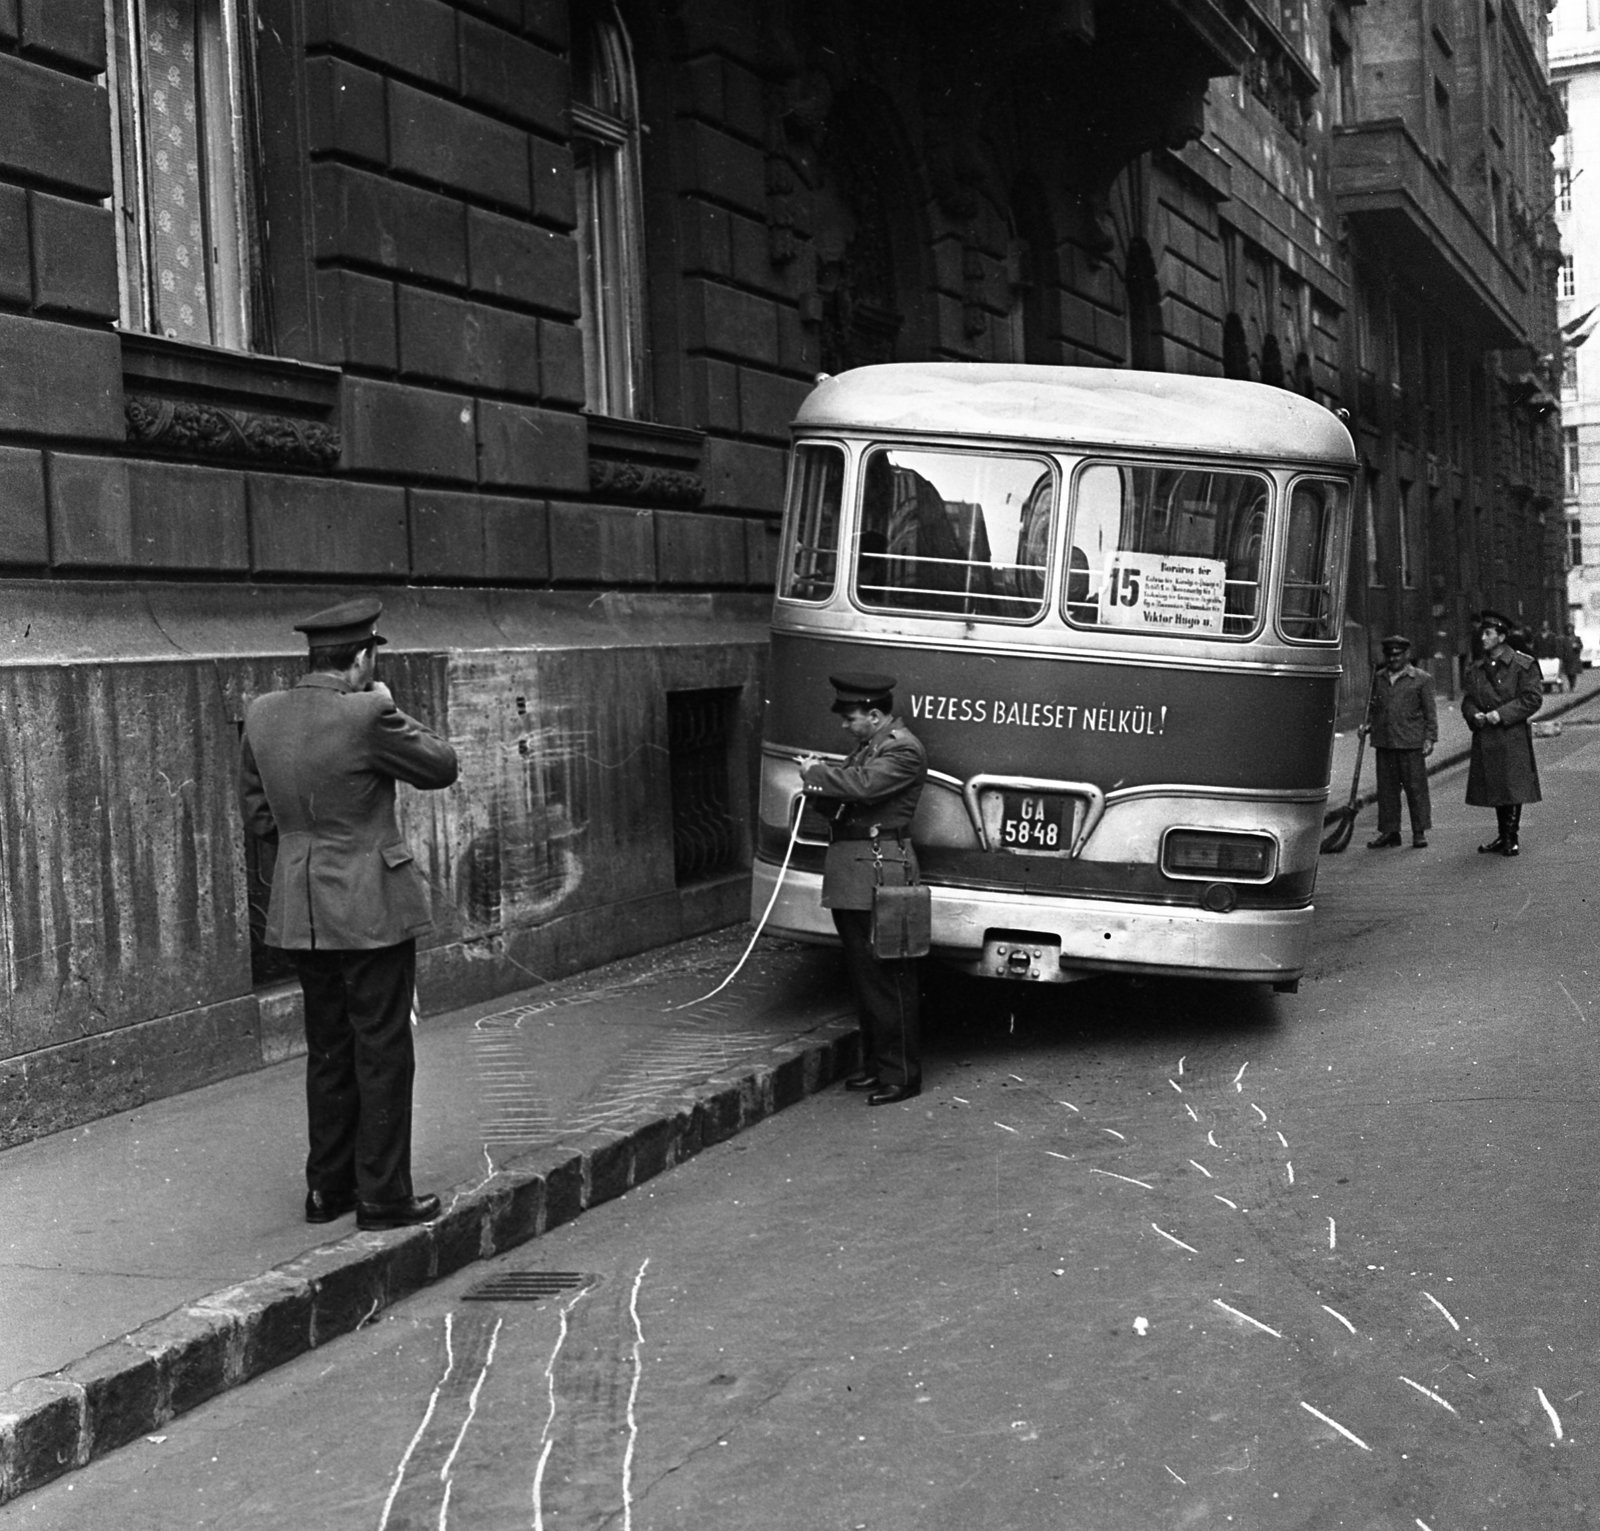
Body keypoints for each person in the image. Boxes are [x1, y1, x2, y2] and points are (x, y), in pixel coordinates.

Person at [240, 598, 459, 1228]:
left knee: (328, 1047)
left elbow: (259, 817)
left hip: (300, 907)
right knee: (383, 1048)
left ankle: (326, 1190)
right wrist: (386, 702)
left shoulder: (262, 713)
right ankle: (383, 1196)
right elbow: (441, 766)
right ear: (363, 657)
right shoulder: (369, 711)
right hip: (370, 905)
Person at [797, 672, 928, 1106]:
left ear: (875, 715)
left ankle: (901, 1074)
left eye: (852, 718)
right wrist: (822, 783)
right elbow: (842, 801)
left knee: (888, 979)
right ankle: (877, 1066)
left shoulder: (903, 749)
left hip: (881, 872)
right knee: (866, 978)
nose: (845, 726)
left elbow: (863, 788)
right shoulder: (870, 747)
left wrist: (816, 774)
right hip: (857, 873)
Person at [1462, 610, 1542, 857]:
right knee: (1497, 786)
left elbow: (1532, 699)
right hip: (1486, 736)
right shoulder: (1477, 668)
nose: (1483, 638)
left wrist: (1502, 714)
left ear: (1501, 637)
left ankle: (1511, 837)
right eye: (1482, 633)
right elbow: (1468, 700)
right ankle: (1502, 835)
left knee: (1511, 786)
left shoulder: (1522, 664)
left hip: (1511, 735)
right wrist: (1473, 714)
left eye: (1488, 633)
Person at [1362, 634, 1437, 850]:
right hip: (1385, 741)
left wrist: (1430, 738)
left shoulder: (1421, 679)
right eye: (1390, 655)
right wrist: (1367, 724)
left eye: (1398, 654)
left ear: (1407, 654)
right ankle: (1390, 832)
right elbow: (1374, 707)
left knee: (1416, 789)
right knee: (1386, 791)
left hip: (1410, 742)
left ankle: (1419, 831)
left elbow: (1430, 712)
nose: (1393, 659)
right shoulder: (1379, 677)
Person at [1563, 623, 1584, 693]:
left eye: (1570, 629)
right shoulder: (1564, 639)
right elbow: (1562, 648)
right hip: (1567, 658)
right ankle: (1570, 685)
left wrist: (1577, 646)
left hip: (1574, 657)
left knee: (1573, 673)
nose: (1569, 630)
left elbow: (1581, 646)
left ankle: (1573, 686)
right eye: (1568, 629)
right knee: (1568, 673)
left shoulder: (1576, 638)